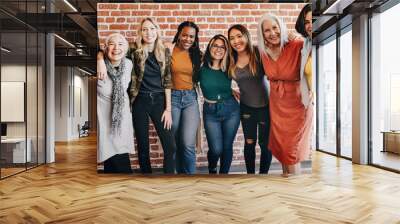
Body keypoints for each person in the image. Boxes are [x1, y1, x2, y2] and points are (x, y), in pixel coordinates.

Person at [97, 18, 177, 174]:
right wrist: (100, 60)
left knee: (170, 145)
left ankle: (169, 177)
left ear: (157, 30)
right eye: (145, 29)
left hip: (159, 101)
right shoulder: (133, 50)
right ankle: (145, 176)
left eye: (152, 28)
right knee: (142, 145)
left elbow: (168, 81)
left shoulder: (164, 51)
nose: (149, 32)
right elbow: (107, 50)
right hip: (140, 100)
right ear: (140, 32)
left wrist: (168, 109)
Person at [257, 13, 313, 177]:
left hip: (297, 104)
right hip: (277, 106)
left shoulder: (297, 45)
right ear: (262, 34)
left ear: (281, 27)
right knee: (282, 148)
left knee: (291, 150)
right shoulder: (263, 52)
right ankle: (286, 186)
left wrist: (301, 36)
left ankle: (294, 191)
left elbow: (315, 47)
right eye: (267, 30)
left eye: (275, 28)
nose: (272, 33)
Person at [228, 24, 272, 174]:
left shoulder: (258, 52)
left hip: (265, 106)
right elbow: (217, 77)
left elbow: (275, 68)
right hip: (246, 107)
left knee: (265, 144)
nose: (236, 41)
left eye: (239, 36)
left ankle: (264, 176)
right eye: (232, 38)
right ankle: (251, 176)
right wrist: (229, 89)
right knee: (249, 143)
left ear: (246, 36)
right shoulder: (230, 59)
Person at [198, 34, 240, 174]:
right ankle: (212, 167)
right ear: (210, 46)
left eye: (222, 47)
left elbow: (247, 78)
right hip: (210, 111)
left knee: (227, 146)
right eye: (215, 45)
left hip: (231, 109)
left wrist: (233, 90)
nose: (218, 49)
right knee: (216, 149)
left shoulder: (229, 66)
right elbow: (188, 84)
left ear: (226, 50)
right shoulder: (200, 67)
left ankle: (223, 177)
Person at [97, 33, 134, 173]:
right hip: (104, 120)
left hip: (122, 119)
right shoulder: (99, 65)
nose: (116, 48)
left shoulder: (129, 65)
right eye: (112, 44)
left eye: (120, 44)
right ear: (106, 48)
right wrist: (99, 59)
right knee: (111, 157)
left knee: (118, 155)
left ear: (126, 48)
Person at [170, 21, 202, 174]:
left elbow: (214, 70)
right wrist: (100, 55)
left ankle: (190, 178)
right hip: (172, 99)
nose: (188, 39)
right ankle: (177, 176)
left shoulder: (197, 55)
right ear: (179, 34)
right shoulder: (168, 50)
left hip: (190, 99)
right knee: (173, 143)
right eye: (185, 35)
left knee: (188, 143)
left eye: (191, 37)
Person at [295, 4, 313, 107]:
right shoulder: (307, 44)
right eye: (307, 22)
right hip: (310, 101)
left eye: (313, 20)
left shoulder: (326, 42)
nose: (310, 25)